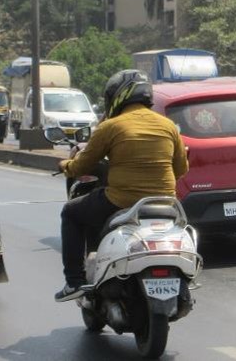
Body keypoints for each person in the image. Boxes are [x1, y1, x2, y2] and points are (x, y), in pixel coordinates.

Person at [54, 69, 188, 302]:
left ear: (118, 96)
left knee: (71, 212)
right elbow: (181, 169)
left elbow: (81, 166)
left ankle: (73, 282)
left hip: (121, 201)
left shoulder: (111, 126)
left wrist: (65, 164)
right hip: (166, 203)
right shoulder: (168, 127)